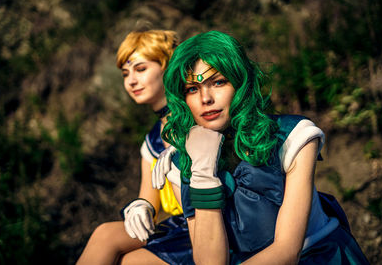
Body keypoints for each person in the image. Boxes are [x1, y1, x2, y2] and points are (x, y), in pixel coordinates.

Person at [152, 30, 369, 264]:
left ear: (240, 84)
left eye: (218, 82)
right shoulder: (180, 166)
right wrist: (202, 171)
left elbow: (287, 252)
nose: (206, 98)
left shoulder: (293, 136)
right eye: (192, 89)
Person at [76, 29, 193, 265]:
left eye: (140, 69)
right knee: (105, 234)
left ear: (168, 66)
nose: (131, 81)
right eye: (125, 73)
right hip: (178, 227)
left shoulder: (201, 113)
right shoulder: (152, 142)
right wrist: (140, 208)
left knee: (130, 261)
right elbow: (149, 204)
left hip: (211, 223)